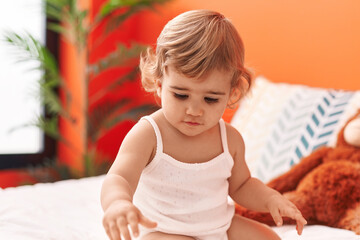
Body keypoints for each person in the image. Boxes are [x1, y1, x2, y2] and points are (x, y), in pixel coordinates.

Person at [101, 9, 307, 240]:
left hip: (218, 227)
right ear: (159, 83)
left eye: (210, 99)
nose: (194, 111)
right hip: (163, 230)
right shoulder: (149, 134)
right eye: (180, 95)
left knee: (270, 238)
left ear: (232, 92)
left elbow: (242, 185)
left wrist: (271, 199)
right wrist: (118, 203)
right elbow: (119, 178)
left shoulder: (229, 139)